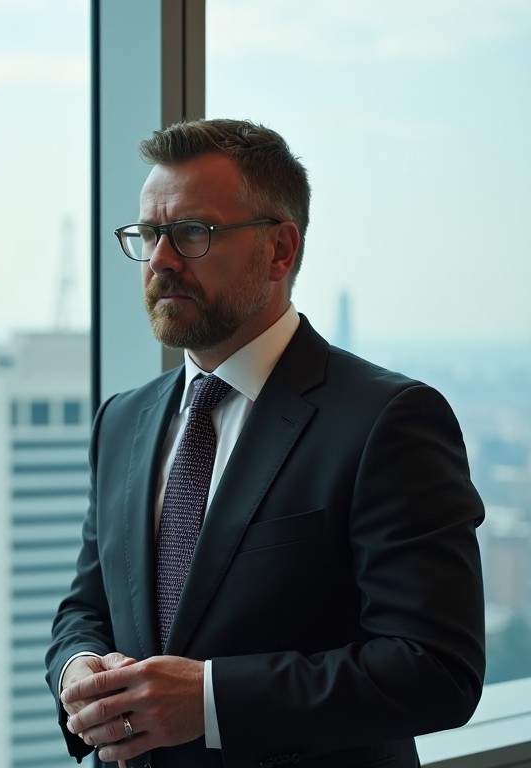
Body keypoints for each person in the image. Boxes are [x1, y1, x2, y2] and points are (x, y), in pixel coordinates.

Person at [46, 118, 485, 768]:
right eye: (147, 235)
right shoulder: (122, 421)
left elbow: (436, 668)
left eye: (192, 232)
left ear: (280, 250)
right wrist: (79, 668)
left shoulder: (387, 420)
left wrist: (212, 701)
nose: (160, 260)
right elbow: (87, 604)